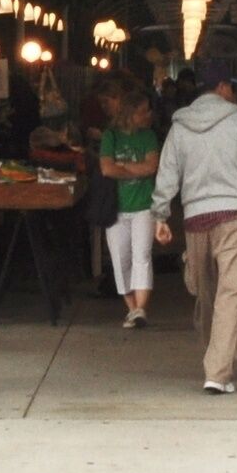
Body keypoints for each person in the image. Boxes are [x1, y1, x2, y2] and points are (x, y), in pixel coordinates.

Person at [149, 58, 237, 394]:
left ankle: (214, 363)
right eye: (232, 87)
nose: (234, 93)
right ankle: (218, 372)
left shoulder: (180, 127)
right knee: (234, 289)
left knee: (206, 293)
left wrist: (160, 214)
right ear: (222, 88)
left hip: (195, 217)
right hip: (234, 213)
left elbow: (167, 173)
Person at [92, 78, 163, 330]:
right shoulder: (111, 136)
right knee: (120, 257)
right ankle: (133, 309)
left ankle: (140, 308)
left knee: (142, 255)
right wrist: (137, 170)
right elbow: (106, 169)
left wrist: (122, 168)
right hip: (116, 207)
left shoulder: (149, 136)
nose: (149, 115)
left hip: (144, 205)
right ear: (132, 114)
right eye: (144, 111)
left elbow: (152, 167)